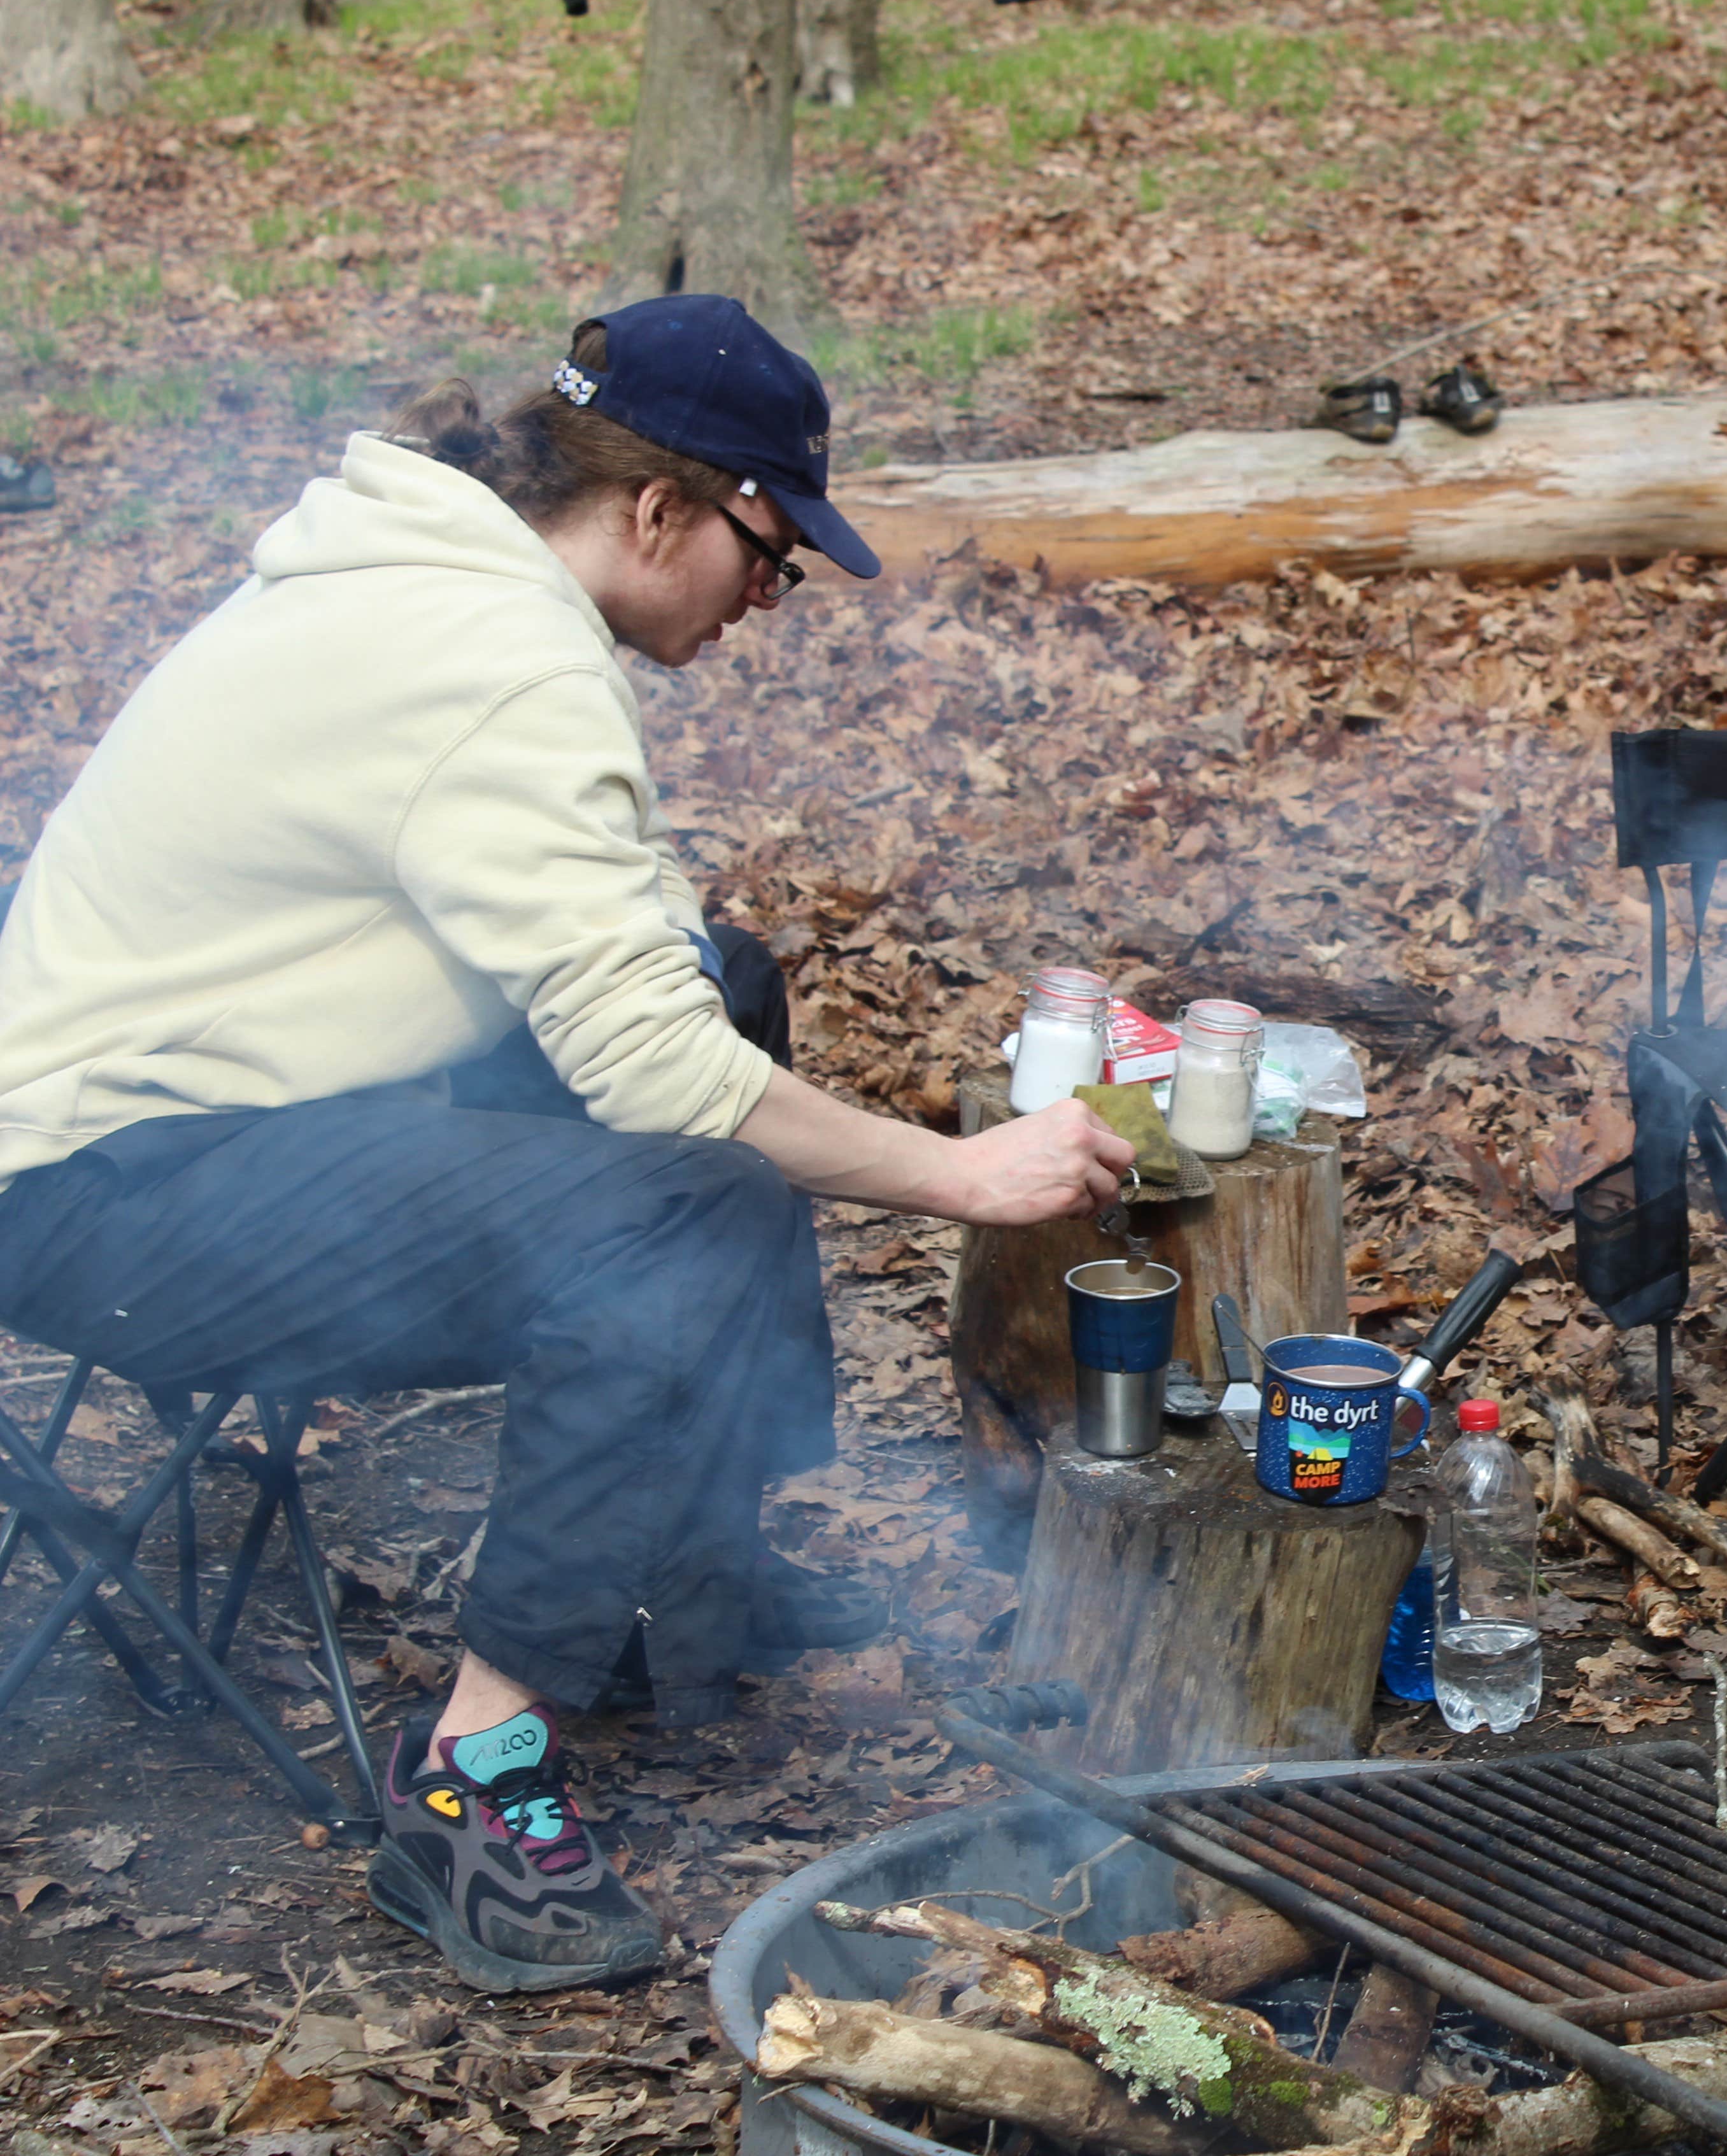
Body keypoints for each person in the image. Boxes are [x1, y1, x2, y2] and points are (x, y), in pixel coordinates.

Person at [0, 295, 1132, 1994]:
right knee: (678, 1207)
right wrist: (969, 1175)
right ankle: (476, 1770)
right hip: (113, 1186)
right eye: (768, 551)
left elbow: (637, 968)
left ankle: (691, 1578)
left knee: (722, 982)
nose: (773, 598)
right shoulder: (487, 652)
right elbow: (658, 1083)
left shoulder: (441, 585)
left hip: (244, 1108)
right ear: (659, 507)